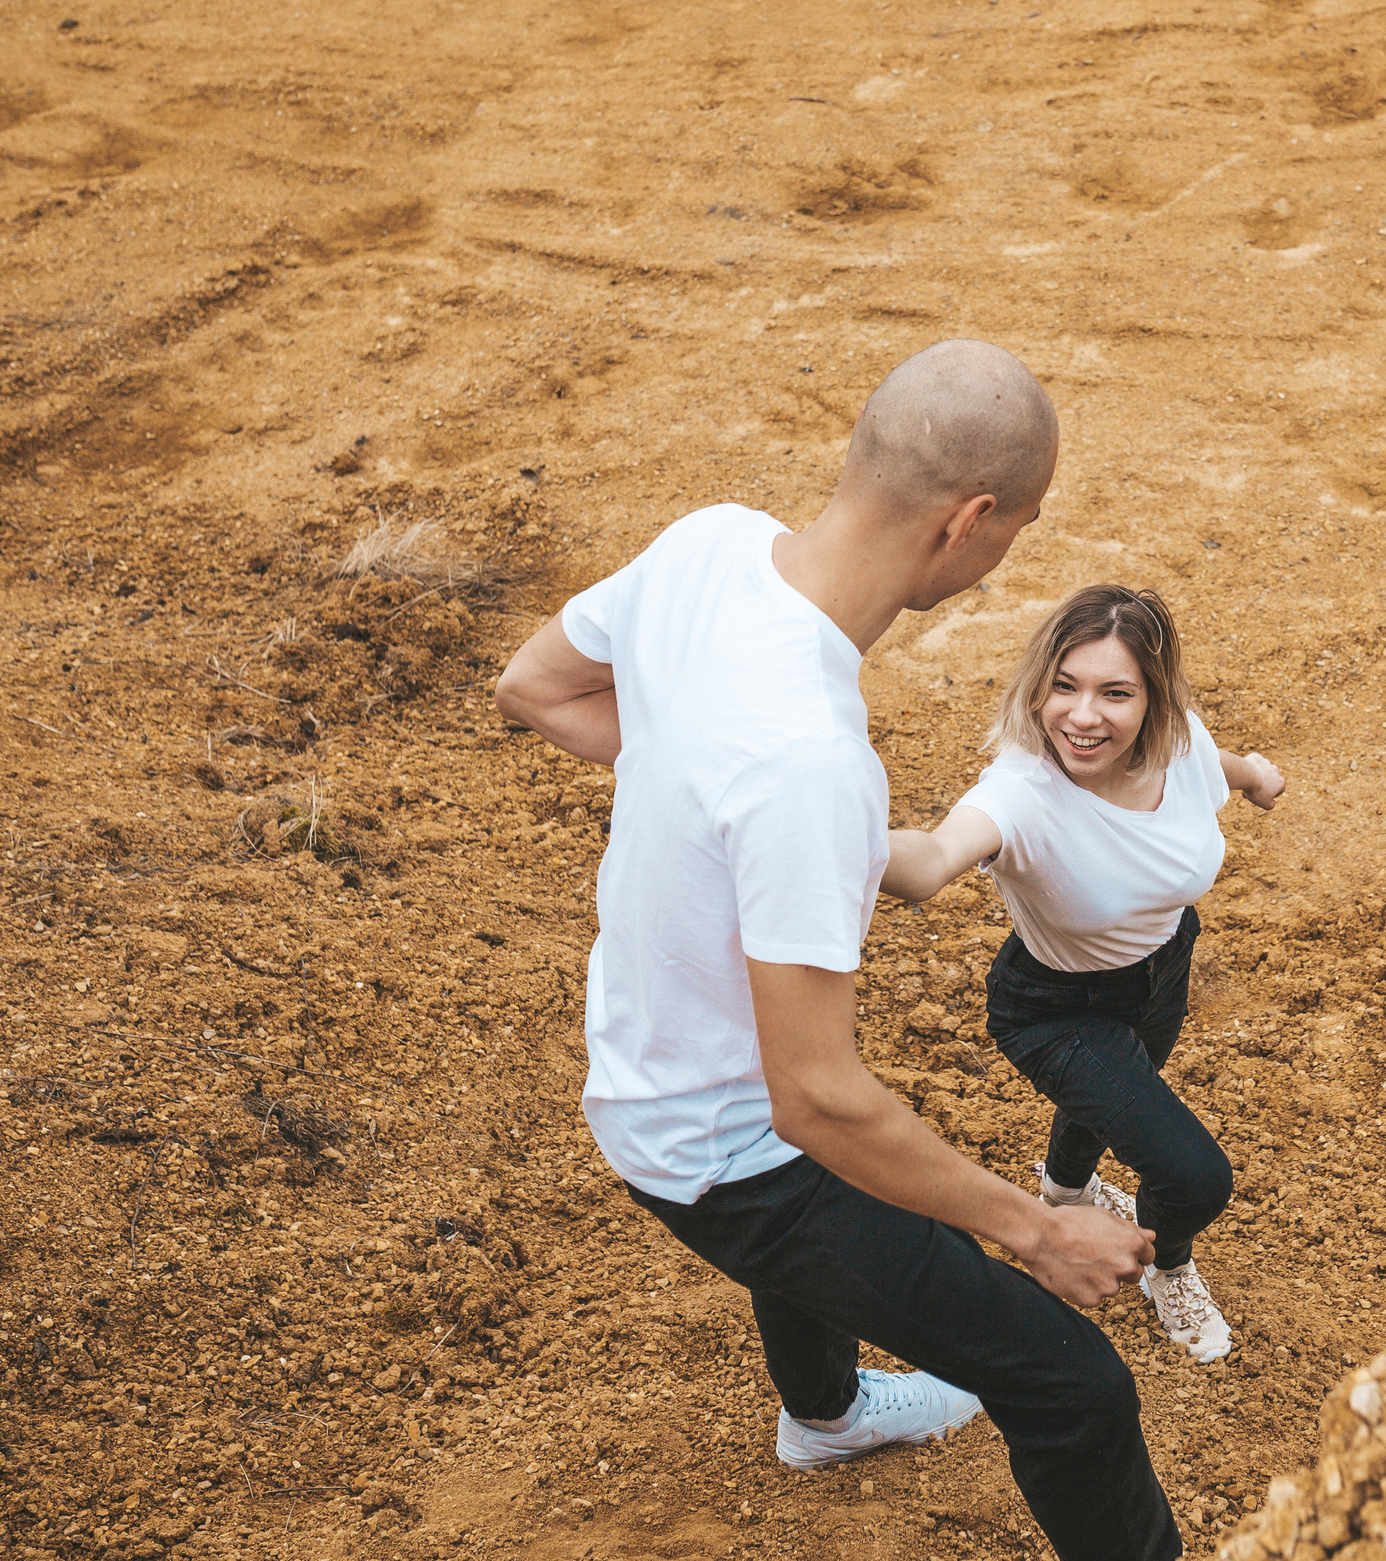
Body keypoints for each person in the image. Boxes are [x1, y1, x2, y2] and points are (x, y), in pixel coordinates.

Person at [493, 341, 1183, 1561]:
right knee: (1075, 1389)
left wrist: (708, 803)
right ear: (968, 523)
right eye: (1018, 527)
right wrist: (1039, 1228)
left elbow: (536, 688)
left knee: (847, 1156)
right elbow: (815, 1103)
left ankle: (824, 1416)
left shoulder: (707, 543)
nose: (1008, 549)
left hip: (647, 1060)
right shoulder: (809, 763)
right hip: (723, 1151)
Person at [879, 585, 1285, 1364]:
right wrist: (834, 833)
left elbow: (1214, 763)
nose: (1082, 715)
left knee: (1111, 1101)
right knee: (1194, 1177)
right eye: (1063, 685)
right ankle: (1168, 1263)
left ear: (1154, 701)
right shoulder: (1021, 794)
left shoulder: (1179, 742)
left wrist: (1256, 776)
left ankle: (1065, 1186)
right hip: (1056, 1005)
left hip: (1165, 962)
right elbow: (930, 862)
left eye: (1114, 692)